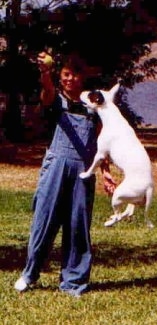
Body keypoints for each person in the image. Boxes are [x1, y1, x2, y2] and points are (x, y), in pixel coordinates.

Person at [14, 51, 116, 297]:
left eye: (74, 75)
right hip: (56, 166)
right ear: (60, 77)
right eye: (66, 75)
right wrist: (45, 73)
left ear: (82, 78)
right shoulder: (55, 99)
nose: (70, 79)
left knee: (77, 224)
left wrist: (105, 172)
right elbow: (46, 92)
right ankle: (30, 274)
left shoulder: (93, 107)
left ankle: (73, 282)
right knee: (44, 220)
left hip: (83, 170)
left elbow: (102, 142)